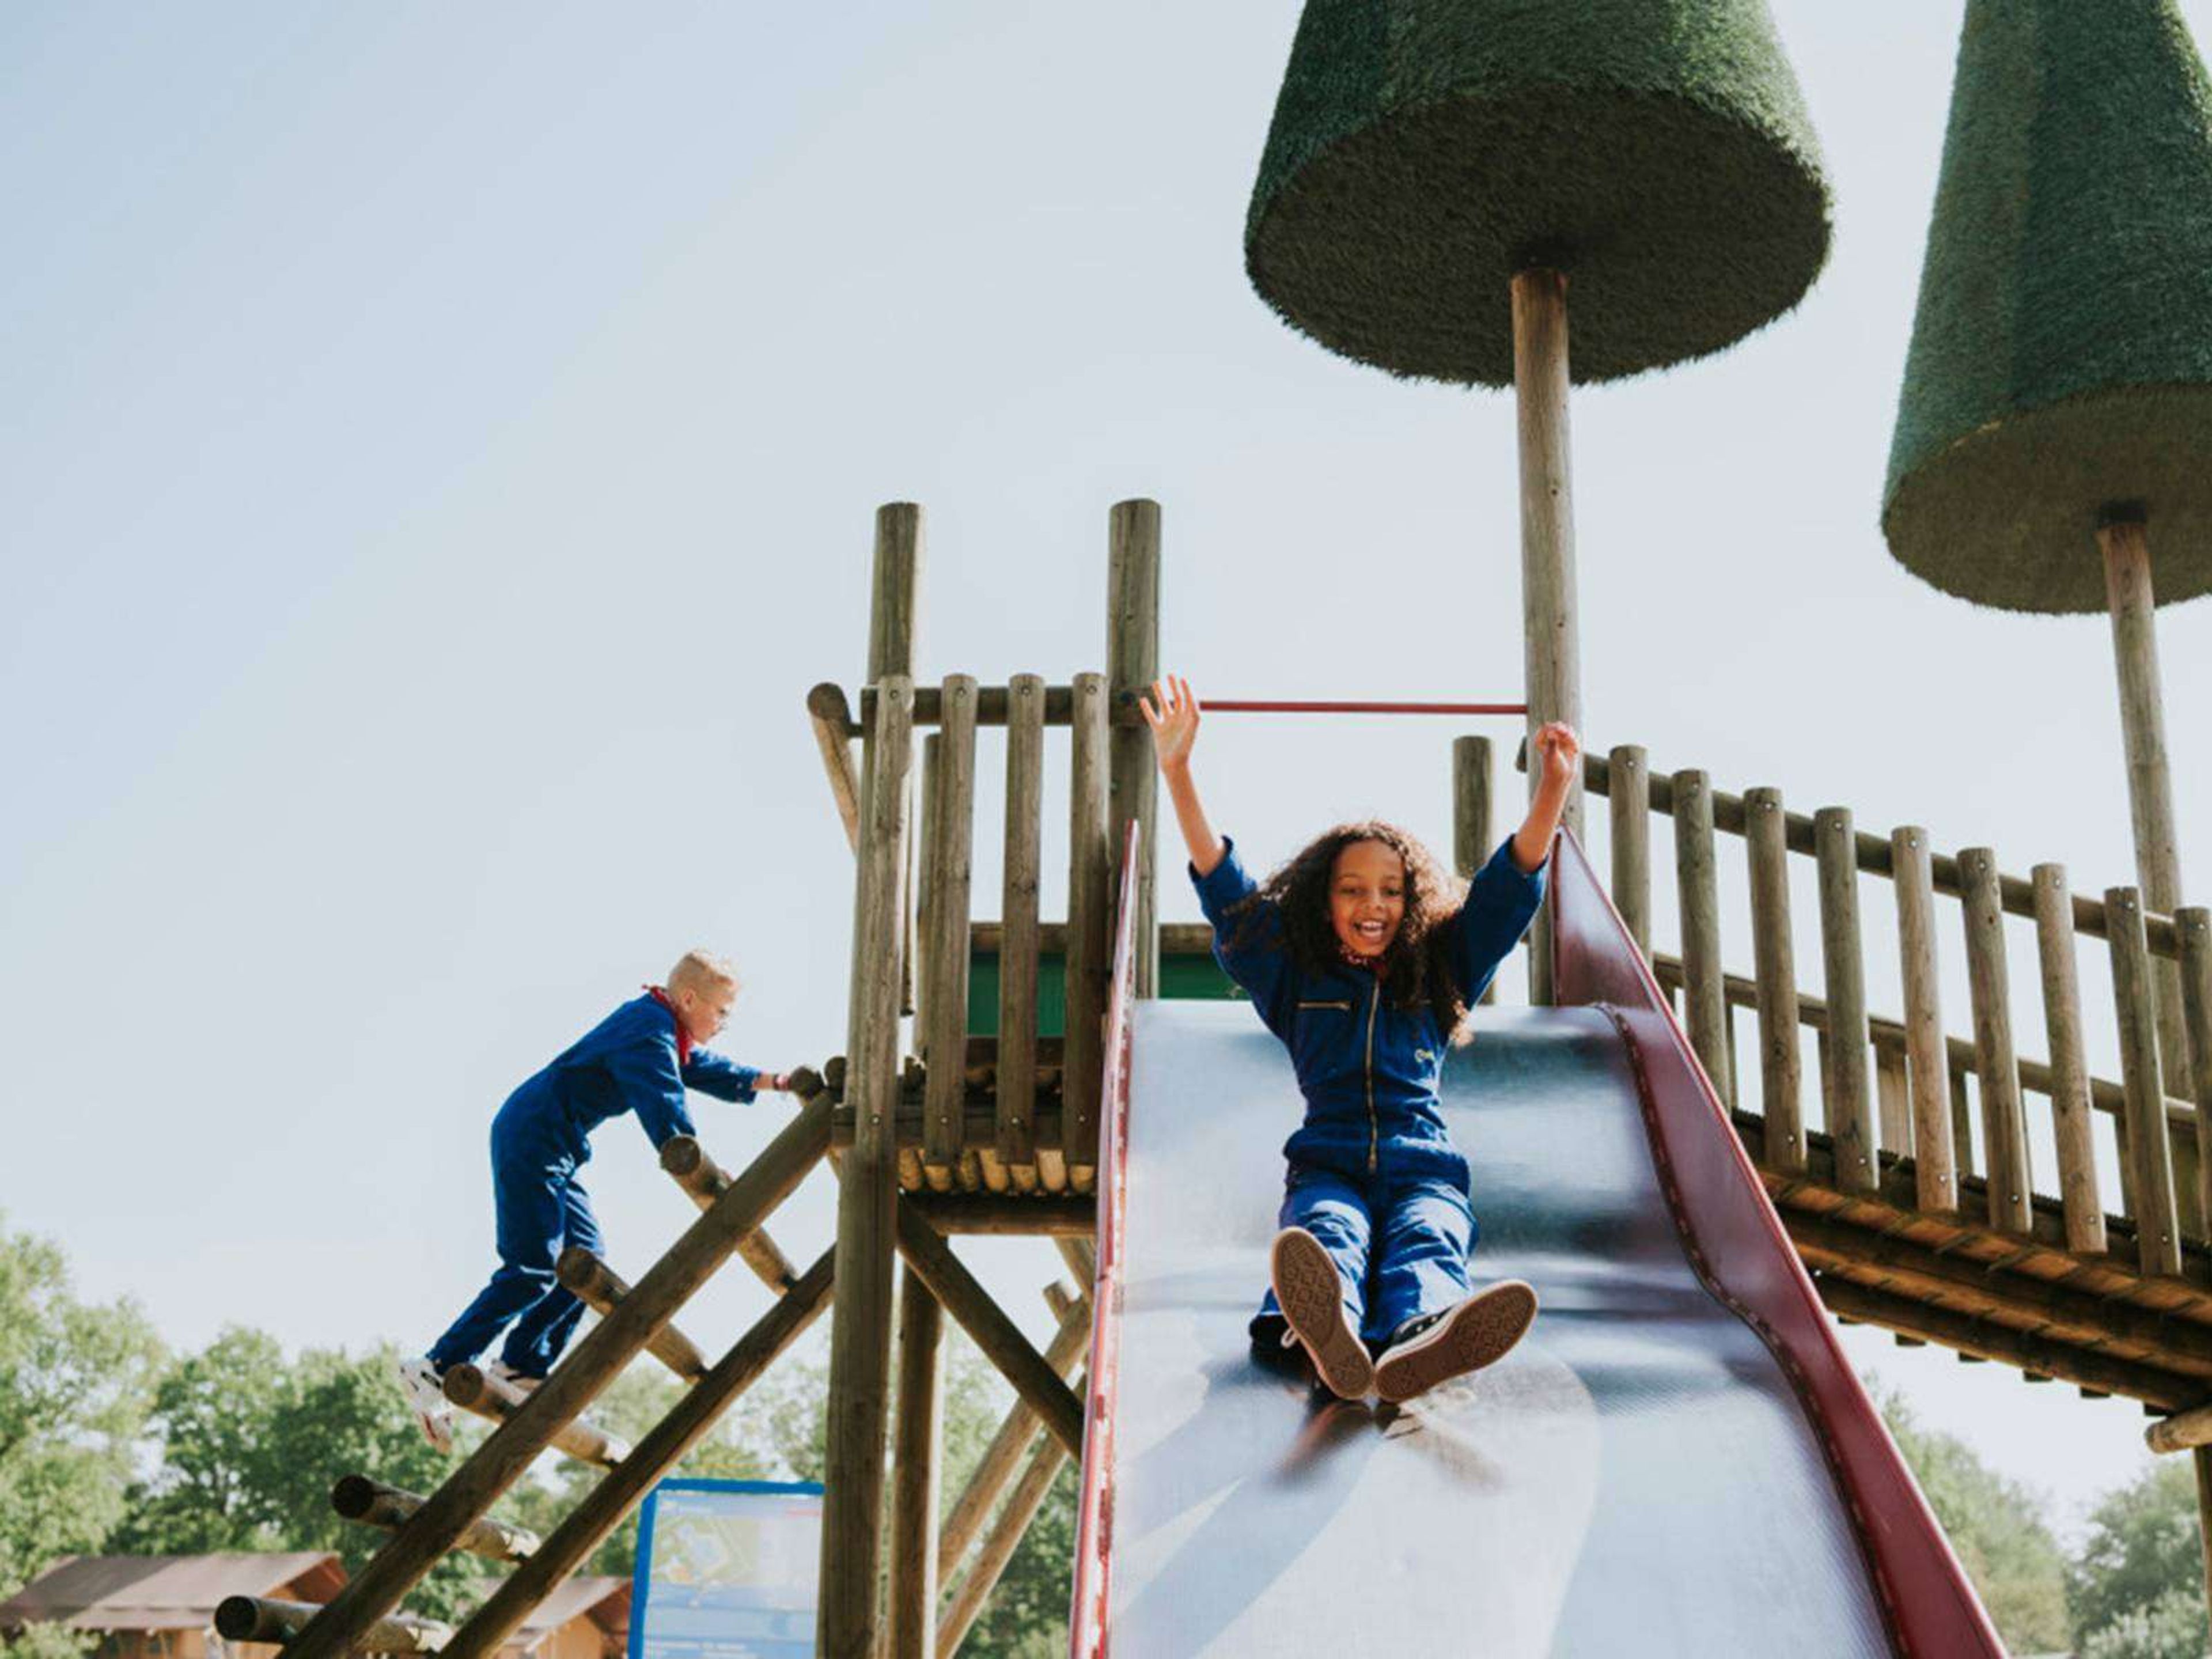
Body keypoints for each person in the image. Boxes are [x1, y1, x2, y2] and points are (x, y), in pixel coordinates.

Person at [1141, 676, 1579, 1403]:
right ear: (1324, 900)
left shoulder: (1440, 971)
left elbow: (1505, 894)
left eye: (1390, 890)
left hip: (1424, 1164)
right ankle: (1319, 1330)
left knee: (1431, 1234)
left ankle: (1424, 1337)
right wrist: (1179, 772)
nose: (1372, 904)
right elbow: (1230, 894)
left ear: (1412, 905)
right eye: (1352, 889)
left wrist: (1551, 793)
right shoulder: (1292, 975)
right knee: (1325, 1234)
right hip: (1329, 1163)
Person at [393, 950, 796, 1450]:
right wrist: (696, 1161)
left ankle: (522, 1365)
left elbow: (697, 1068)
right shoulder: (648, 1029)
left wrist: (772, 1081)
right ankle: (434, 1366)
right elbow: (665, 1100)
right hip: (533, 1137)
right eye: (721, 1012)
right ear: (690, 999)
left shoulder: (660, 1026)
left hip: (556, 1145)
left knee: (584, 1259)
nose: (724, 1024)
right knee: (533, 1267)